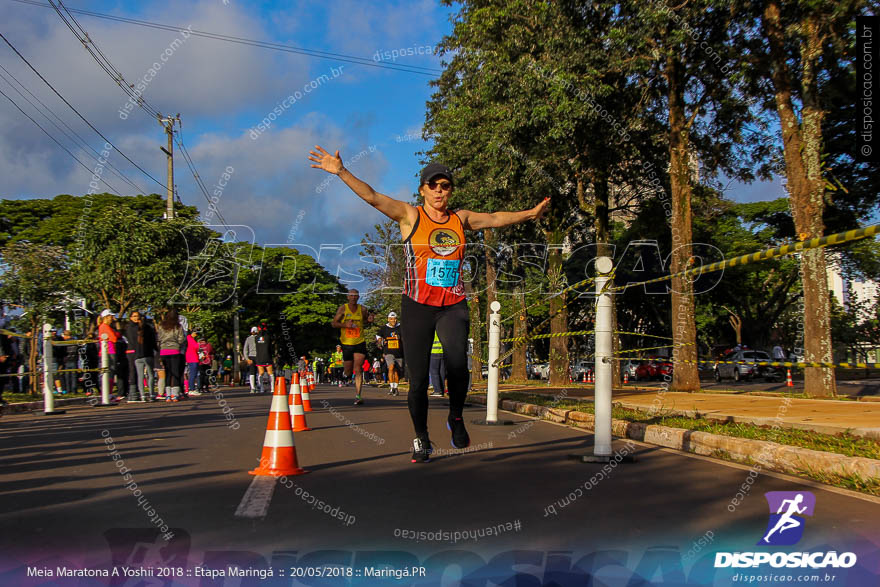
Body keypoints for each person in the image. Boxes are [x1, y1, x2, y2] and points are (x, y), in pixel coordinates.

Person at [310, 149, 549, 462]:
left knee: (458, 365)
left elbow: (493, 219)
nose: (439, 190)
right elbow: (371, 196)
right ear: (422, 189)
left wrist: (530, 214)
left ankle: (456, 417)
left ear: (450, 190)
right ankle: (421, 436)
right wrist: (341, 172)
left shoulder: (459, 218)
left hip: (453, 304)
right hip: (417, 305)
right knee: (419, 379)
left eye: (445, 185)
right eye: (433, 185)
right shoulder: (410, 215)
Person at [331, 289, 374, 405]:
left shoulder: (363, 309)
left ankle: (358, 395)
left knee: (358, 368)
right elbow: (334, 323)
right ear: (348, 297)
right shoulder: (343, 309)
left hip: (360, 342)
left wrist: (369, 321)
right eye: (351, 295)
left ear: (358, 297)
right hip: (346, 344)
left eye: (356, 296)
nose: (353, 298)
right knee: (349, 371)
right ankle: (347, 375)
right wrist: (345, 325)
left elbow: (365, 320)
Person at [156, 309, 186, 402]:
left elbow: (159, 338)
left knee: (168, 373)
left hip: (164, 351)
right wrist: (177, 343)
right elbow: (181, 339)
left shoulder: (161, 326)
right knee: (175, 372)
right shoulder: (178, 326)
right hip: (175, 350)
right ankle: (175, 395)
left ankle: (168, 395)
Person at [98, 310, 124, 398]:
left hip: (110, 350)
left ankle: (108, 392)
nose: (112, 319)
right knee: (109, 372)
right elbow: (113, 338)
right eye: (111, 317)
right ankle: (107, 392)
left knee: (110, 372)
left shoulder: (107, 326)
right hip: (109, 350)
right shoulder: (104, 326)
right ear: (106, 317)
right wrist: (116, 335)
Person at [377, 311, 404, 396]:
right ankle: (392, 386)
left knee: (396, 371)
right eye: (391, 319)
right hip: (388, 352)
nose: (393, 321)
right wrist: (380, 342)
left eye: (395, 319)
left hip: (399, 353)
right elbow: (378, 336)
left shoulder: (401, 327)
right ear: (388, 319)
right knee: (391, 367)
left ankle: (395, 388)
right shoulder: (384, 328)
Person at [255, 324, 274, 394]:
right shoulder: (268, 337)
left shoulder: (256, 338)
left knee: (261, 373)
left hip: (259, 357)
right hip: (267, 357)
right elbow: (270, 348)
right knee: (270, 373)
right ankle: (272, 388)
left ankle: (262, 388)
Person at [429, 332, 446, 397]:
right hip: (443, 352)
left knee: (434, 372)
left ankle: (437, 390)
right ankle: (441, 389)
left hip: (434, 352)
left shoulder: (433, 330)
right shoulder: (443, 329)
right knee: (442, 372)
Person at [243, 326, 259, 393]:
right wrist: (247, 359)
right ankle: (256, 386)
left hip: (251, 357)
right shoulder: (259, 338)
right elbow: (245, 349)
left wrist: (247, 358)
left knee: (253, 372)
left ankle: (253, 387)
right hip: (257, 356)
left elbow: (245, 350)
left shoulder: (248, 338)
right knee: (257, 372)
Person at [185, 329, 200, 396]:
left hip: (192, 357)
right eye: (195, 333)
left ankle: (192, 388)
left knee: (193, 374)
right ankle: (191, 389)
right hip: (192, 358)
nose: (196, 335)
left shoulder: (189, 338)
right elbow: (196, 346)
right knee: (193, 374)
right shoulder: (189, 338)